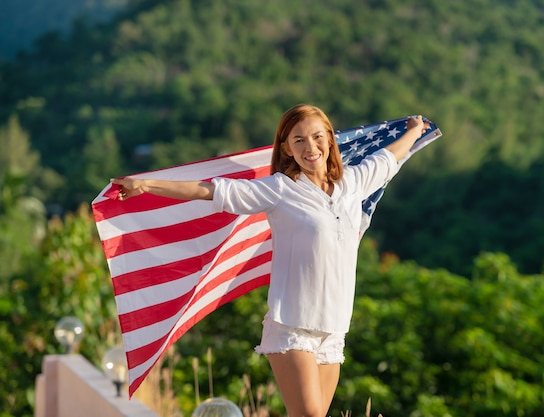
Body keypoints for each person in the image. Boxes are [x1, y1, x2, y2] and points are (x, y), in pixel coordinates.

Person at [112, 104, 429, 417]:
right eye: (299, 140)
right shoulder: (280, 189)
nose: (310, 147)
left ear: (331, 139)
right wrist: (145, 185)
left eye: (317, 137)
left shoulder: (353, 184)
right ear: (287, 149)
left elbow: (388, 157)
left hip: (333, 329)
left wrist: (414, 130)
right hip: (292, 325)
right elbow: (211, 191)